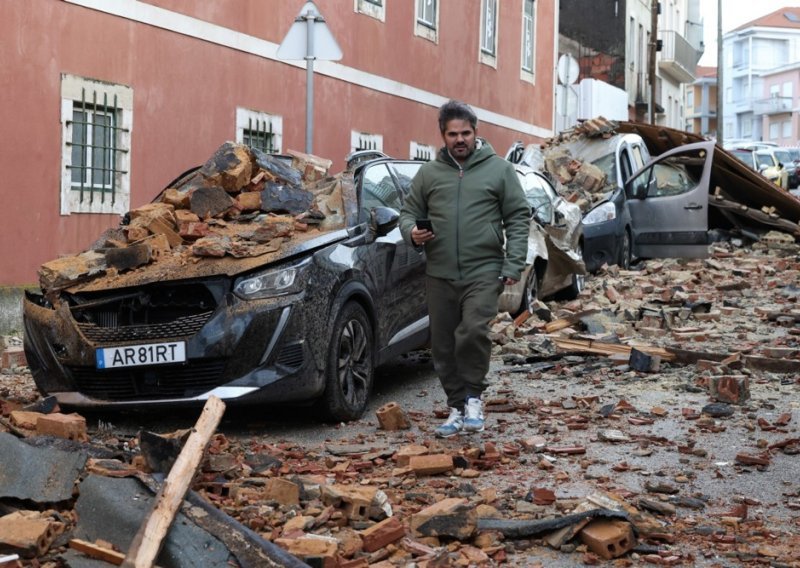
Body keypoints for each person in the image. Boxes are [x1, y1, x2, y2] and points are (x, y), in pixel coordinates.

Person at [399, 100, 530, 437]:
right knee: (442, 346)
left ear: (476, 132)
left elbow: (517, 217)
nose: (460, 139)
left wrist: (513, 261)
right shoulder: (429, 174)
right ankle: (456, 407)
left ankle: (473, 397)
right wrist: (412, 233)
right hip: (439, 272)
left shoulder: (499, 170)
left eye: (466, 133)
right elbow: (407, 213)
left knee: (472, 331)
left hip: (484, 270)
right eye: (452, 134)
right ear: (442, 136)